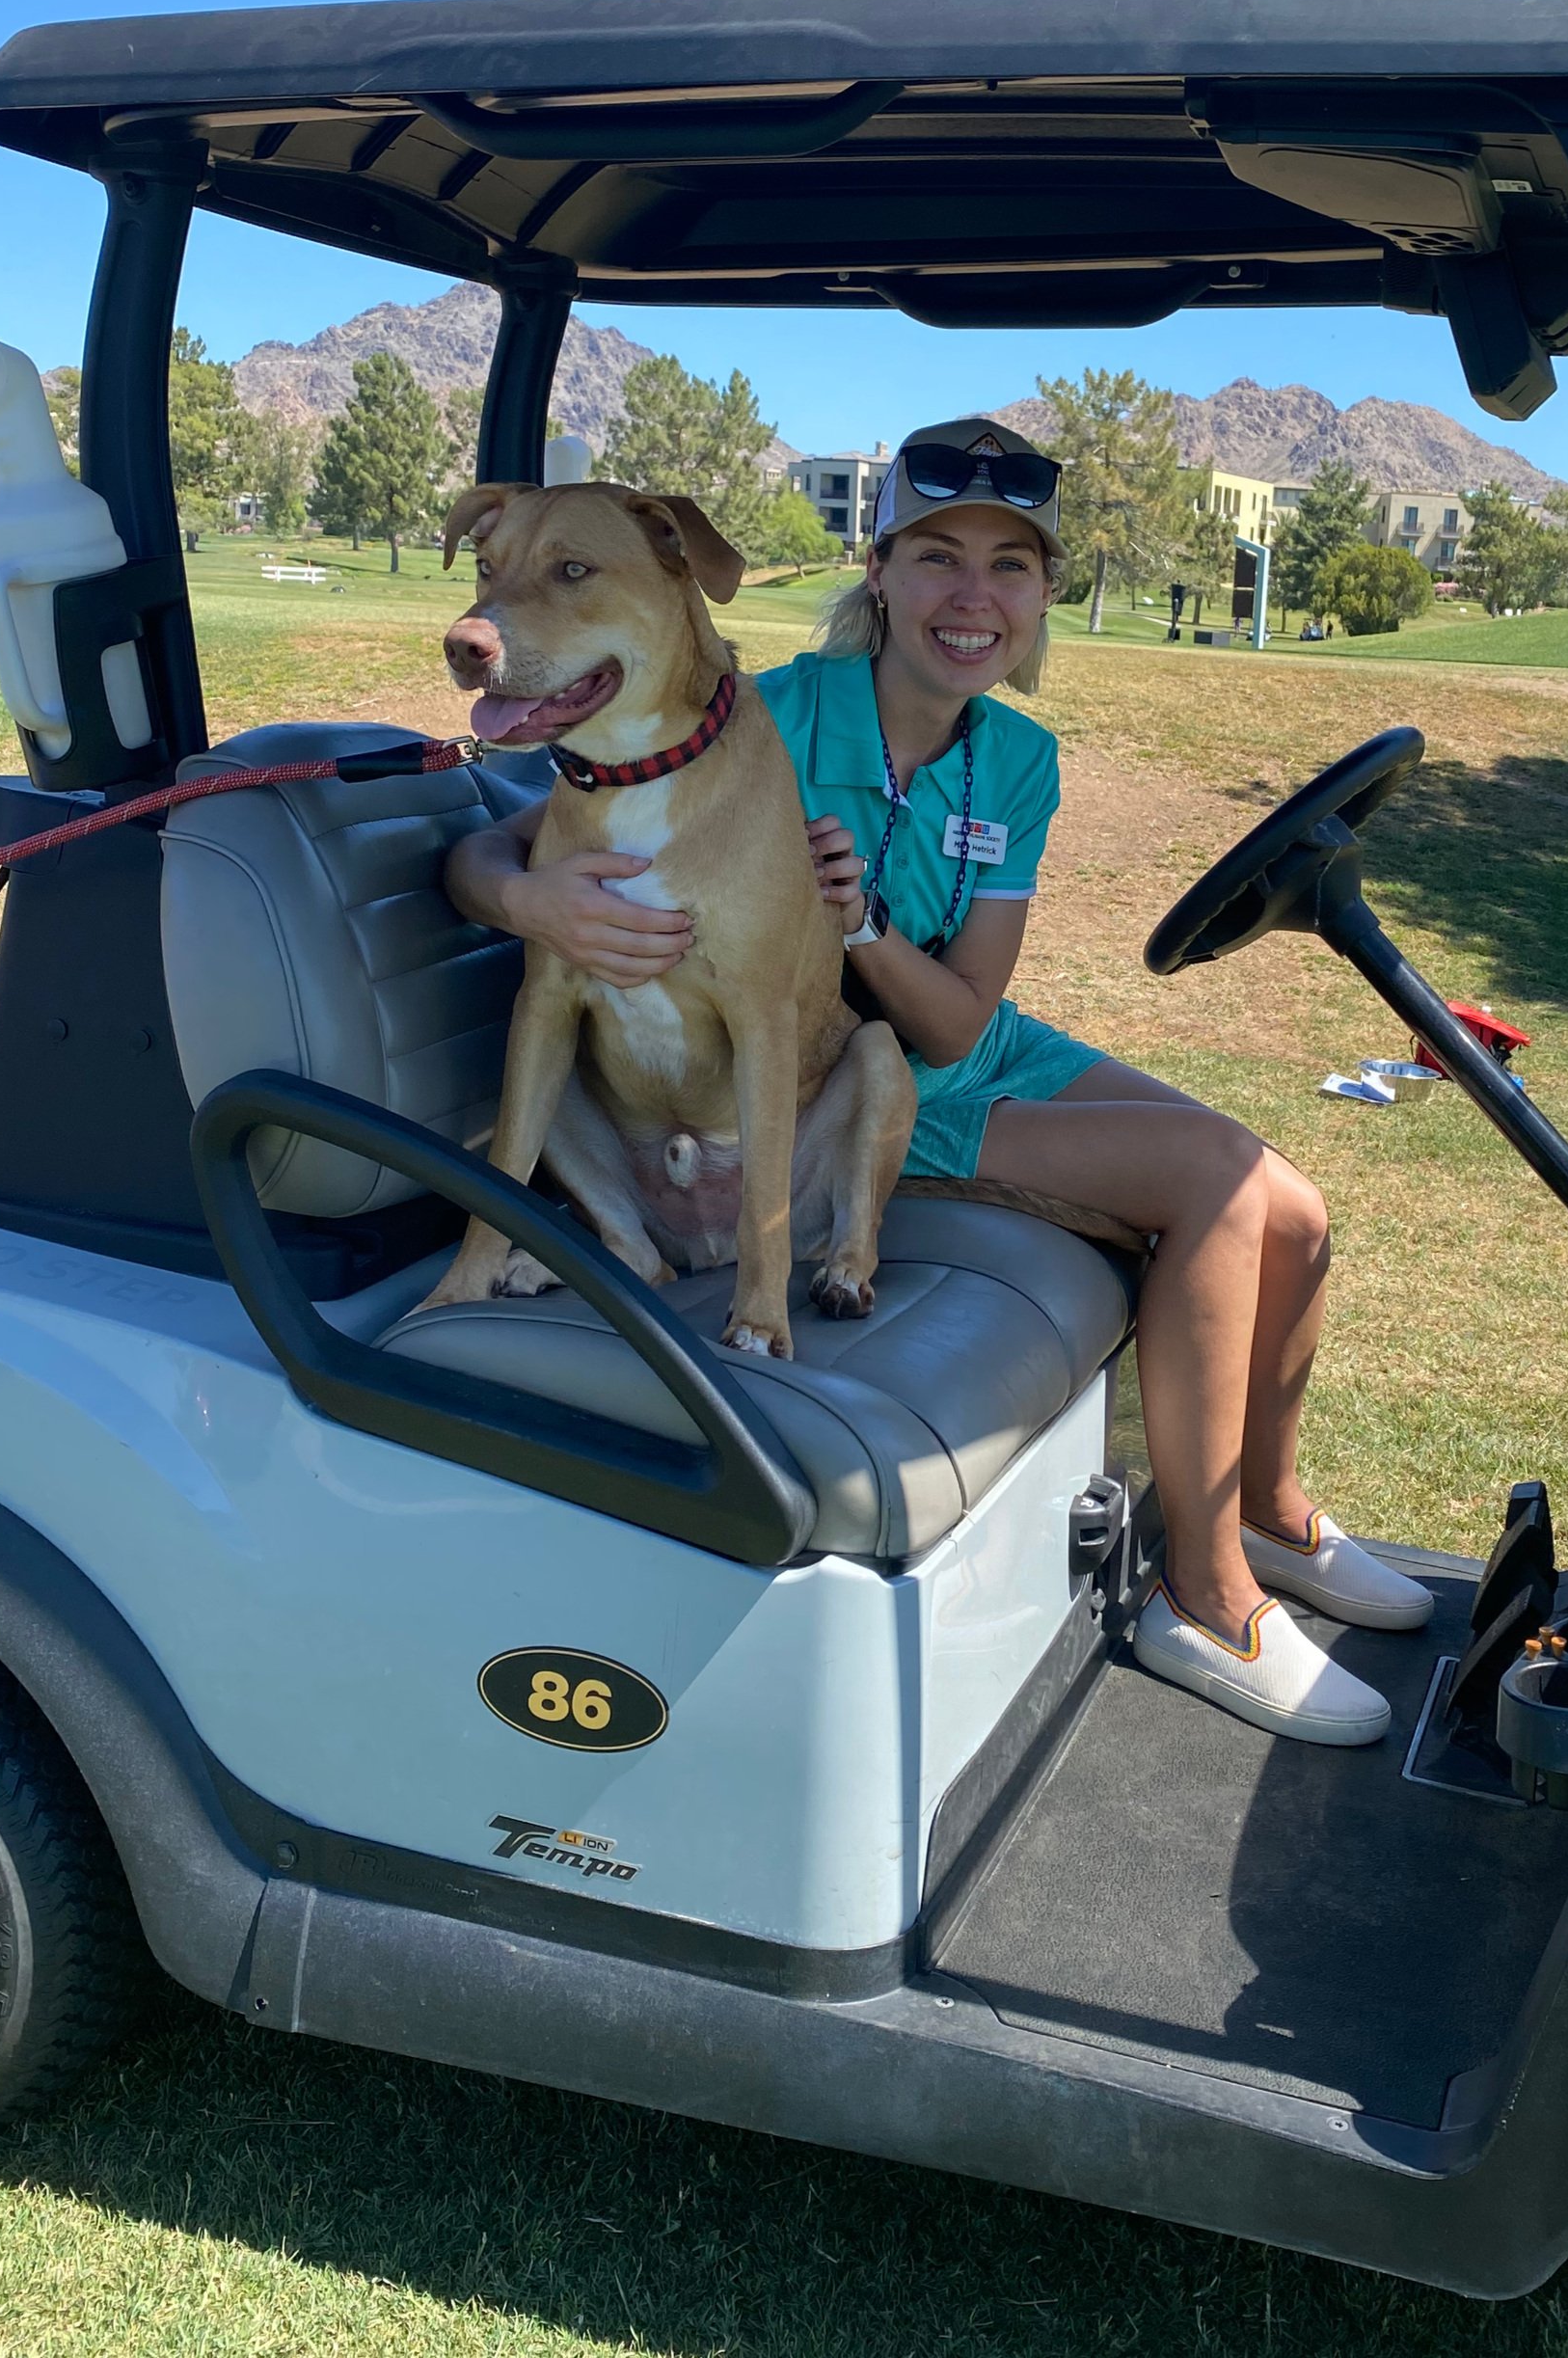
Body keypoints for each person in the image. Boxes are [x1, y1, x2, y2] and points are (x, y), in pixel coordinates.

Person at [445, 419, 1430, 1743]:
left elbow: (969, 1014)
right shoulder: (764, 709)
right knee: (1216, 1184)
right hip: (861, 1066)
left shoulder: (1015, 758)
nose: (974, 599)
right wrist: (528, 903)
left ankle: (1269, 1505)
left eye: (1010, 569)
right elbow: (501, 850)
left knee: (1295, 1209)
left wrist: (862, 926)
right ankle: (1202, 1598)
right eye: (938, 559)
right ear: (880, 572)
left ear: (1040, 600)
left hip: (963, 1037)